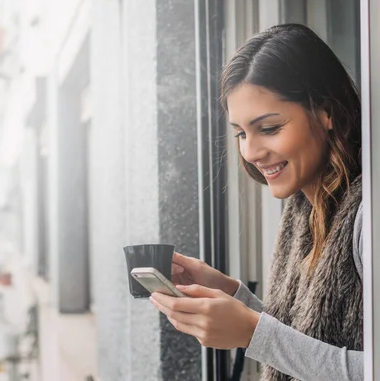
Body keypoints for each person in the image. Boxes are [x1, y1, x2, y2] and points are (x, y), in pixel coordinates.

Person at [149, 24, 364, 381]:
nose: (250, 151)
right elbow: (307, 342)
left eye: (269, 128)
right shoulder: (307, 210)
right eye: (241, 133)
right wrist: (232, 295)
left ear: (326, 112)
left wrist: (253, 333)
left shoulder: (366, 220)